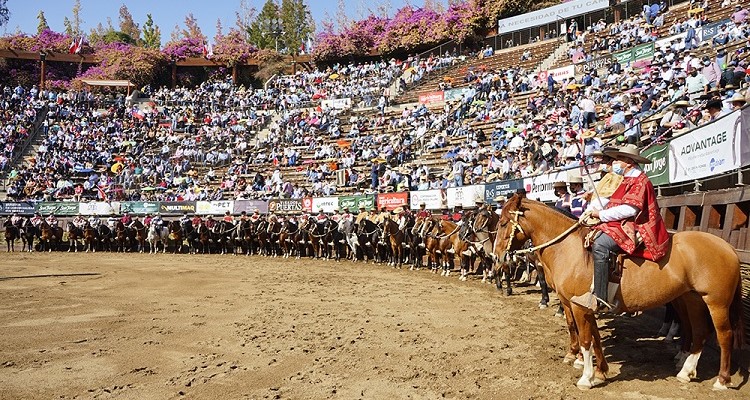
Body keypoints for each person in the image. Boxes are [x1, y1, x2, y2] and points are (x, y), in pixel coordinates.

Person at [571, 145, 670, 313]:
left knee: (601, 245)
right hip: (624, 222)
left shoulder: (640, 181)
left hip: (638, 225)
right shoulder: (627, 179)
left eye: (618, 159)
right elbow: (612, 202)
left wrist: (600, 214)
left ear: (629, 162)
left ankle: (600, 298)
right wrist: (593, 209)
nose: (614, 162)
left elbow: (630, 210)